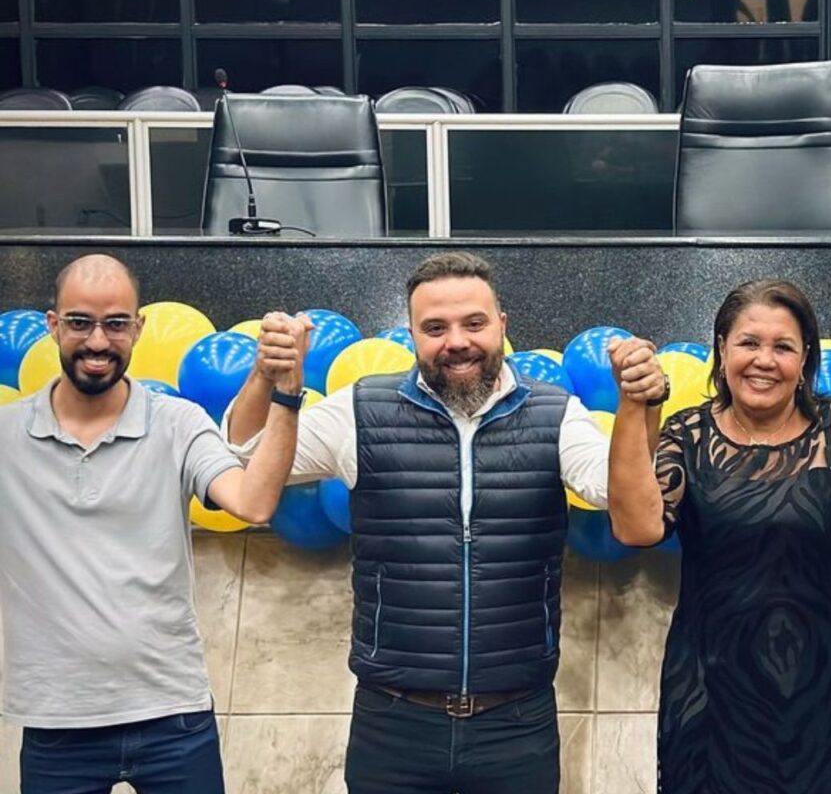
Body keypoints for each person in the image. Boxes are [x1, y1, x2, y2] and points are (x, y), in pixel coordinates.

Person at [223, 251, 611, 794]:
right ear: (413, 335)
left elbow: (613, 489)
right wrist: (266, 377)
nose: (457, 341)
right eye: (435, 327)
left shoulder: (557, 413)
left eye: (474, 323)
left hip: (516, 725)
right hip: (394, 726)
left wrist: (643, 405)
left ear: (501, 326)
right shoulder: (359, 410)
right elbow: (246, 455)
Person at [0, 254, 302, 794]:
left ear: (138, 329)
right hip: (56, 724)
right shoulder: (6, 437)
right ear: (52, 325)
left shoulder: (177, 423)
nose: (97, 341)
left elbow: (253, 504)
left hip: (173, 719)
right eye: (79, 322)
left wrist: (284, 393)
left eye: (116, 323)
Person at [606, 279, 831, 794]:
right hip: (708, 687)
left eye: (783, 347)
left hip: (818, 684)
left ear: (804, 362)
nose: (764, 360)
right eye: (749, 343)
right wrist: (633, 404)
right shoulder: (688, 434)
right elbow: (635, 527)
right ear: (721, 350)